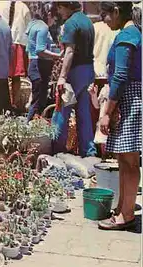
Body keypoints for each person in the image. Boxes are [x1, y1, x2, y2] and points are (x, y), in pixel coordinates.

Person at [98, 2, 141, 231]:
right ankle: (124, 208)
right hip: (130, 97)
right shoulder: (132, 33)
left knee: (129, 161)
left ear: (116, 11)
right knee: (125, 160)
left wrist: (107, 112)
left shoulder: (127, 35)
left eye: (105, 14)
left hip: (130, 99)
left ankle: (127, 214)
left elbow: (121, 75)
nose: (105, 19)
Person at [53, 1, 97, 157]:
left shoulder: (71, 23)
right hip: (88, 70)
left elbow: (70, 51)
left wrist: (62, 77)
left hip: (75, 72)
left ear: (67, 6)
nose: (59, 11)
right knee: (83, 112)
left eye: (60, 7)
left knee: (61, 111)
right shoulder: (87, 21)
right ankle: (89, 150)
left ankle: (57, 149)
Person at [25, 3, 62, 121]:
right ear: (49, 14)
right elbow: (40, 50)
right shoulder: (43, 27)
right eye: (55, 17)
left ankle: (31, 125)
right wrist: (57, 56)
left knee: (37, 99)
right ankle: (29, 126)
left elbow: (29, 48)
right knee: (38, 102)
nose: (55, 20)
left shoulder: (33, 24)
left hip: (33, 64)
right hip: (40, 66)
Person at [0, 1, 31, 109]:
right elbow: (28, 26)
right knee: (15, 77)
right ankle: (14, 104)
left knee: (3, 75)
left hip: (4, 41)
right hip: (17, 42)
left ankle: (6, 103)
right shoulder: (23, 6)